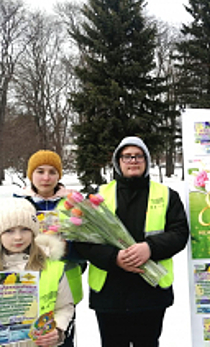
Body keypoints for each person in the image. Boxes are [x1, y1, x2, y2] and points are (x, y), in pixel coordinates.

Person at [74, 136, 190, 347]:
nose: (133, 161)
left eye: (138, 156)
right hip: (110, 293)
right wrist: (114, 258)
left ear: (146, 161)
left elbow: (180, 233)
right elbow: (83, 241)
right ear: (118, 162)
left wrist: (150, 248)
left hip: (151, 293)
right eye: (127, 156)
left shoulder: (166, 195)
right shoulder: (98, 196)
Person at [0, 198, 74, 347]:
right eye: (9, 230)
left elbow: (64, 307)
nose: (18, 237)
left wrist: (57, 330)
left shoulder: (52, 267)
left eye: (25, 229)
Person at [14, 149, 84, 347]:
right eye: (40, 171)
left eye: (52, 172)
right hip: (25, 286)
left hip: (65, 288)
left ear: (59, 176)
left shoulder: (72, 204)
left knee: (60, 339)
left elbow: (88, 246)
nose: (46, 177)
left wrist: (68, 248)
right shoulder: (18, 204)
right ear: (31, 175)